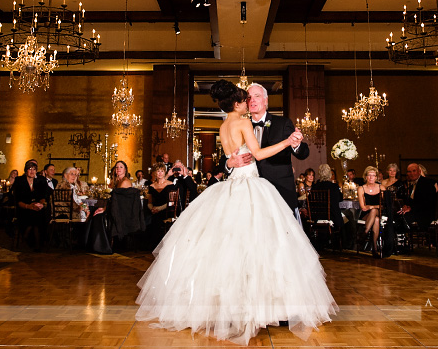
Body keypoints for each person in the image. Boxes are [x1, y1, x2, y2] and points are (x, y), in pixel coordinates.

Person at [136, 79, 336, 345]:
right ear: (238, 103)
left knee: (236, 250)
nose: (249, 102)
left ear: (264, 100)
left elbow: (288, 152)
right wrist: (281, 144)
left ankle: (252, 307)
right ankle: (251, 308)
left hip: (249, 190)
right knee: (246, 250)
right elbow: (256, 155)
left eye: (254, 97)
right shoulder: (242, 122)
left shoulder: (225, 125)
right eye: (246, 98)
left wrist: (292, 141)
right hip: (251, 189)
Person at [224, 82, 310, 216]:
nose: (252, 100)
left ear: (265, 100)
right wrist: (229, 164)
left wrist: (296, 144)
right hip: (249, 197)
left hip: (280, 191)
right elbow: (224, 160)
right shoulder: (240, 125)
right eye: (249, 97)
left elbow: (304, 153)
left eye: (257, 96)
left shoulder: (283, 123)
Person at [11, 160, 49, 251]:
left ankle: (30, 240)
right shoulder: (19, 180)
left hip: (37, 207)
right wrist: (29, 206)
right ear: (26, 170)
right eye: (30, 169)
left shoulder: (41, 180)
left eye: (34, 169)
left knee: (39, 215)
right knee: (33, 217)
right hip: (24, 207)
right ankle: (34, 242)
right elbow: (18, 200)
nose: (32, 171)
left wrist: (40, 204)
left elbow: (44, 196)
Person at [358, 166, 384, 254]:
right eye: (369, 175)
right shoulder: (361, 188)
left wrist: (371, 206)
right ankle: (375, 249)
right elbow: (363, 207)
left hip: (380, 213)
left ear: (376, 177)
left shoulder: (381, 187)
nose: (371, 177)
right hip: (366, 215)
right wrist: (375, 207)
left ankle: (364, 233)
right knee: (375, 218)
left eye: (373, 175)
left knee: (375, 214)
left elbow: (383, 205)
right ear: (365, 177)